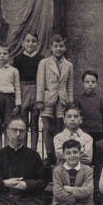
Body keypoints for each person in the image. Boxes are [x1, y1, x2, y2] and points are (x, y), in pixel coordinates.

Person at [36, 35, 74, 165]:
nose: (58, 49)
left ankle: (59, 155)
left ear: (65, 47)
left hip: (62, 100)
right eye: (56, 46)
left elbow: (70, 85)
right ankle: (50, 155)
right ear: (51, 48)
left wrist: (70, 101)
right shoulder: (44, 63)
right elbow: (40, 83)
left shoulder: (69, 65)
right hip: (48, 99)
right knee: (47, 127)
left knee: (60, 127)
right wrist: (39, 100)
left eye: (61, 46)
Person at [12, 32, 43, 150]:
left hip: (36, 89)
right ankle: (22, 148)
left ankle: (34, 149)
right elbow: (15, 79)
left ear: (37, 44)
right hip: (23, 89)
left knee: (35, 122)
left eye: (33, 41)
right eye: (28, 41)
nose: (30, 44)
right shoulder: (18, 59)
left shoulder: (41, 59)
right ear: (23, 43)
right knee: (23, 122)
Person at [75, 70, 103, 143]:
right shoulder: (78, 100)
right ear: (83, 83)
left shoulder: (101, 99)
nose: (90, 84)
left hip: (99, 133)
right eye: (87, 82)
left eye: (93, 82)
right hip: (84, 133)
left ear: (97, 83)